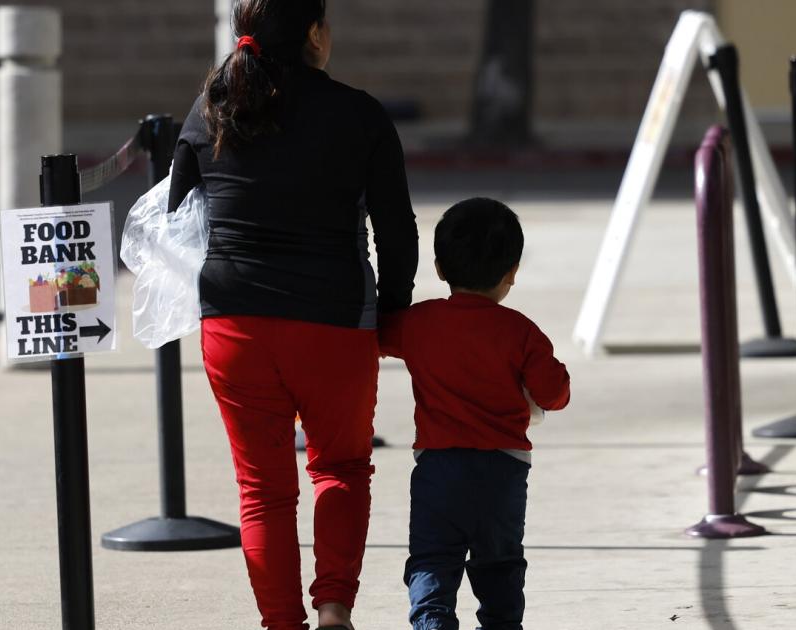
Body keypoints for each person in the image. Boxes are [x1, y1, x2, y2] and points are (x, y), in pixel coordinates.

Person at [167, 1, 419, 628]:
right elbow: (397, 231)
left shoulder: (210, 112)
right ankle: (334, 609)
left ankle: (282, 623)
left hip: (233, 326)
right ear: (314, 33)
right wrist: (392, 317)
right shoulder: (358, 114)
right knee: (340, 469)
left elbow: (177, 218)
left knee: (262, 492)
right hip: (333, 320)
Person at [378, 197, 571, 630]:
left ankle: (432, 622)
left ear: (441, 268)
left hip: (437, 469)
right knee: (499, 563)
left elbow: (373, 338)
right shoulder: (521, 331)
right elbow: (555, 393)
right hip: (502, 471)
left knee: (432, 559)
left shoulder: (418, 322)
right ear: (511, 274)